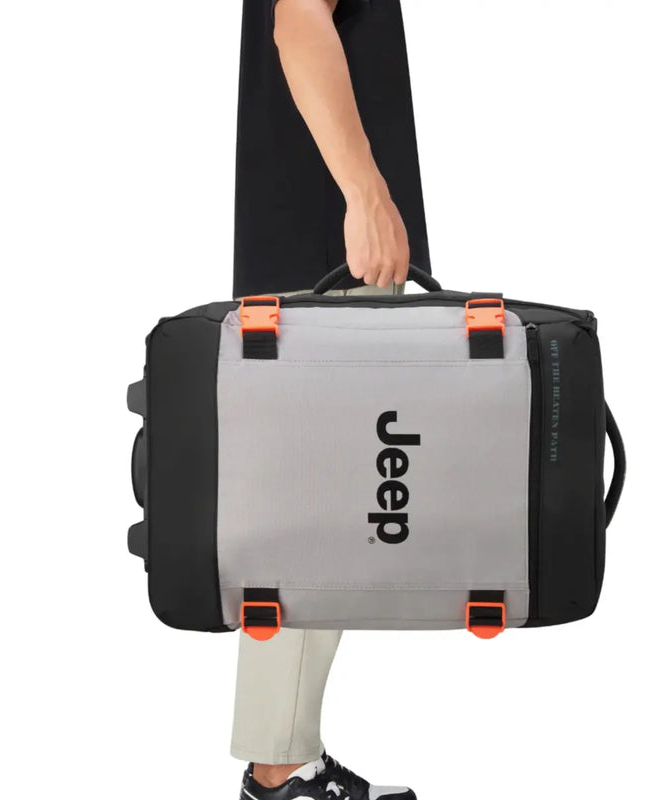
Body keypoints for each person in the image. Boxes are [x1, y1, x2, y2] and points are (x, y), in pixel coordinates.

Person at [232, 1, 431, 798]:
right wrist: (367, 195)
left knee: (309, 514)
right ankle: (281, 771)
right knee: (312, 518)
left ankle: (283, 763)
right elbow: (297, 20)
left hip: (314, 249)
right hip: (327, 251)